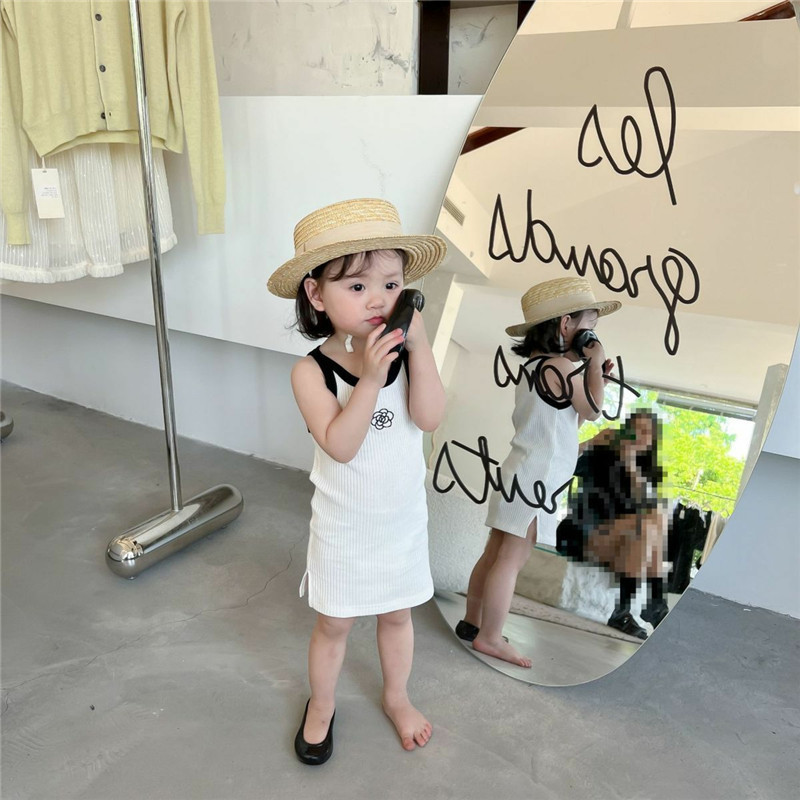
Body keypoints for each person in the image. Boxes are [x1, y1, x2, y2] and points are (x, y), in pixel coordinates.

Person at [267, 198, 447, 765]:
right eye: (357, 286)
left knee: (397, 615)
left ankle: (397, 696)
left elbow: (429, 418)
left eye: (392, 285)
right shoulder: (310, 372)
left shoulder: (407, 352)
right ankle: (322, 704)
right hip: (344, 528)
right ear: (317, 295)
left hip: (401, 522)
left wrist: (420, 349)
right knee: (335, 623)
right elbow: (341, 446)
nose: (378, 300)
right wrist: (368, 379)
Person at [457, 277, 620, 667]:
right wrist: (595, 361)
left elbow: (562, 428)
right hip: (536, 479)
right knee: (512, 558)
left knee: (495, 553)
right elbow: (593, 409)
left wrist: (595, 375)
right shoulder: (561, 365)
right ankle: (491, 637)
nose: (592, 339)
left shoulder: (535, 367)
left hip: (521, 469)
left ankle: (472, 622)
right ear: (566, 325)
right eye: (590, 328)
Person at [557, 410, 669, 639]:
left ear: (652, 442)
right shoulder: (602, 454)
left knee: (653, 521)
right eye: (634, 429)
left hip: (620, 545)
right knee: (650, 521)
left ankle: (637, 608)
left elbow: (646, 505)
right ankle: (650, 606)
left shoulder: (647, 472)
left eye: (646, 432)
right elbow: (560, 463)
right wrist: (591, 442)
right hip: (581, 533)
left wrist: (630, 463)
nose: (638, 435)